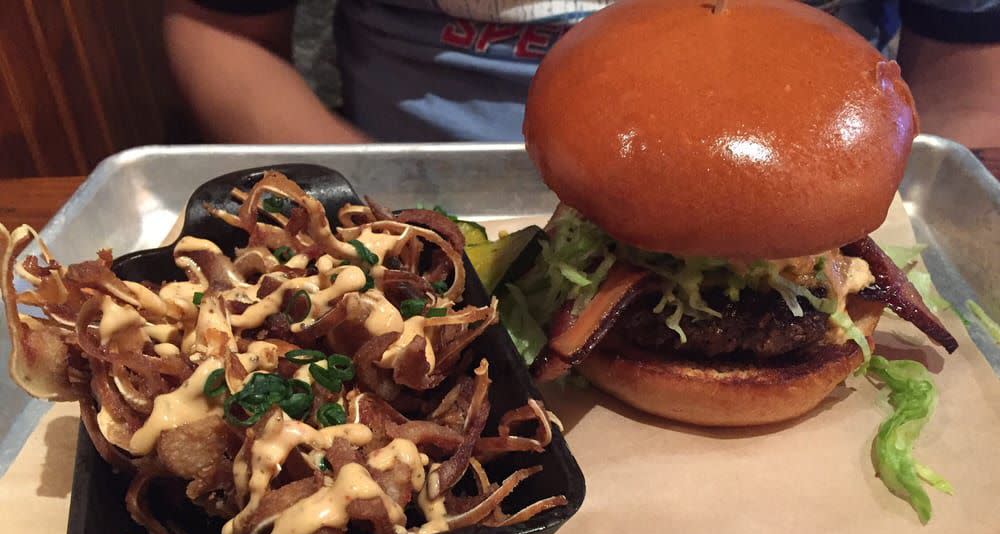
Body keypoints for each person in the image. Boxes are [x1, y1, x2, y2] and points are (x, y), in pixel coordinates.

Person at [164, 0, 1000, 147]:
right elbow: (220, 28)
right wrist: (371, 211)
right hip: (420, 205)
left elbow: (971, 88)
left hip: (804, 211)